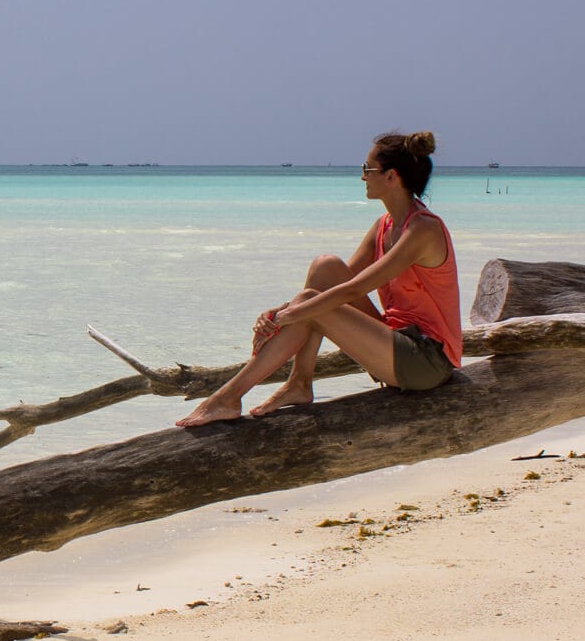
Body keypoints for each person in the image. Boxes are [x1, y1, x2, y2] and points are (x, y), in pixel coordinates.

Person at [176, 131, 460, 427]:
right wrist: (281, 311)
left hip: (428, 361)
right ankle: (299, 382)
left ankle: (228, 397)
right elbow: (332, 285)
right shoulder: (384, 225)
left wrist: (286, 316)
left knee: (313, 305)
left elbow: (354, 289)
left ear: (391, 177)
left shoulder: (423, 230)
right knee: (325, 267)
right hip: (393, 340)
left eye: (367, 169)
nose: (362, 177)